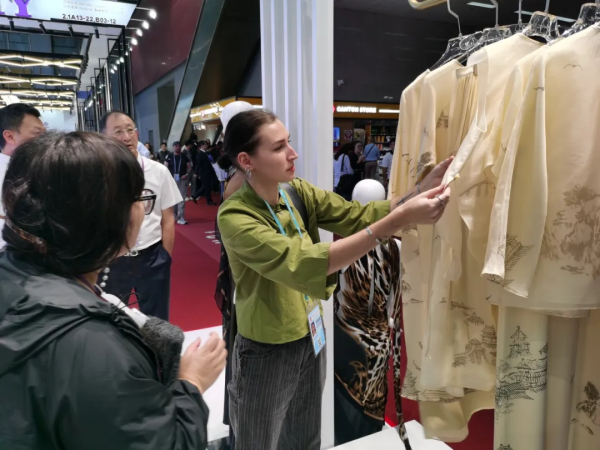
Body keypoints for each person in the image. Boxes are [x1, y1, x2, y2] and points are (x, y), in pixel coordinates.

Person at [217, 108, 452, 450]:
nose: (293, 153)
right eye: (279, 147)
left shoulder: (295, 192)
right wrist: (396, 221)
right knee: (257, 442)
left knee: (306, 439)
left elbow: (353, 215)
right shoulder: (235, 216)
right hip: (266, 351)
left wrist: (415, 193)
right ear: (246, 160)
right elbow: (303, 262)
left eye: (289, 142)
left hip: (311, 337)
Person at [0, 131, 227, 449]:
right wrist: (192, 382)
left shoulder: (16, 270)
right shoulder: (93, 345)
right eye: (138, 198)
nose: (142, 209)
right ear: (105, 216)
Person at [100, 111, 181, 321]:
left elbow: (167, 218)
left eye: (130, 130)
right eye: (118, 131)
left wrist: (165, 257)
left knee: (156, 320)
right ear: (103, 136)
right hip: (113, 259)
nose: (126, 137)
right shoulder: (97, 173)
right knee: (113, 321)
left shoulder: (158, 171)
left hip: (152, 257)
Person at [0, 103, 45, 249]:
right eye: (37, 134)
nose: (46, 140)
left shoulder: (37, 169)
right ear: (10, 136)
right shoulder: (7, 176)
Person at [165, 141, 192, 224]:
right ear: (173, 147)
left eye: (179, 146)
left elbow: (189, 168)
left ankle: (181, 217)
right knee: (174, 198)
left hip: (182, 180)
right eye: (176, 146)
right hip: (172, 180)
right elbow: (165, 168)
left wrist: (186, 174)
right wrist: (169, 177)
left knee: (181, 198)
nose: (178, 147)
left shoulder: (184, 156)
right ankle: (174, 215)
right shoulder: (169, 156)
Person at [195, 140, 217, 206]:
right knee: (207, 186)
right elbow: (198, 164)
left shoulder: (207, 152)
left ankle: (196, 196)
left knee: (207, 186)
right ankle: (208, 200)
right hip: (204, 172)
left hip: (209, 171)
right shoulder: (200, 154)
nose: (207, 146)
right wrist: (196, 173)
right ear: (202, 145)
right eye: (206, 144)